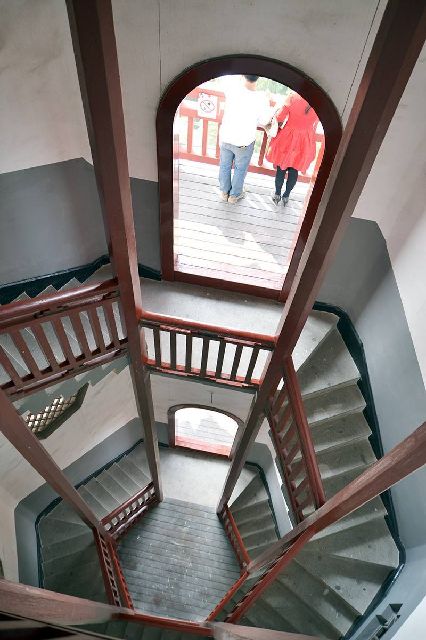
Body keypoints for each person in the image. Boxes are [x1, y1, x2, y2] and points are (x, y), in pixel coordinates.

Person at [218, 75, 272, 204]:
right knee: (240, 169)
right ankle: (234, 195)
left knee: (224, 165)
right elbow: (265, 120)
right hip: (244, 141)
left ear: (243, 75)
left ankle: (224, 192)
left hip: (226, 136)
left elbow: (225, 81)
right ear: (258, 78)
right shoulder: (261, 98)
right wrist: (268, 99)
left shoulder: (231, 89)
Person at [266, 92, 319, 206]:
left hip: (288, 136)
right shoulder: (320, 102)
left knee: (281, 168)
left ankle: (277, 194)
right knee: (295, 170)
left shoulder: (293, 96)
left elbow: (280, 117)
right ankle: (286, 196)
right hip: (305, 140)